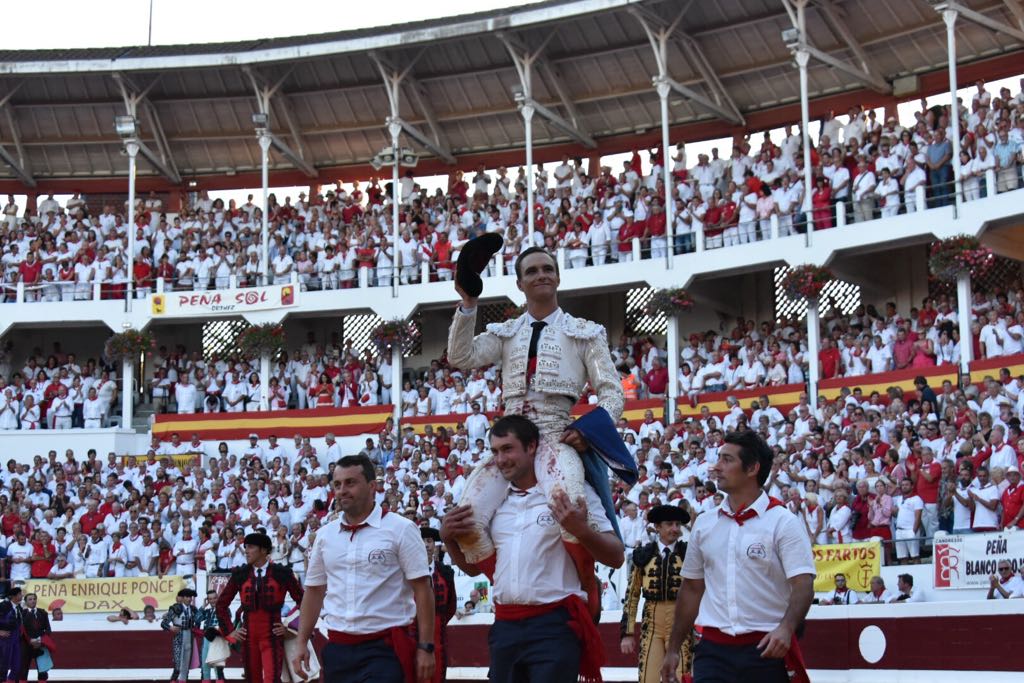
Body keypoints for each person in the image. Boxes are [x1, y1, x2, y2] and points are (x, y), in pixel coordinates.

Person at [447, 245, 629, 618]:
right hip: (510, 440)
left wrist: (588, 430)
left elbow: (611, 391)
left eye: (548, 268)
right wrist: (468, 305)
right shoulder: (506, 332)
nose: (541, 275)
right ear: (520, 283)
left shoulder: (585, 333)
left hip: (555, 434)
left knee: (570, 504)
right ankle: (504, 581)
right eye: (532, 271)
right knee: (467, 518)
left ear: (558, 277)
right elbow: (460, 357)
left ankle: (584, 577)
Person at [440, 415, 624, 683]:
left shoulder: (570, 493)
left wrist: (581, 529)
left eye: (508, 449)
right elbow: (471, 569)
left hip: (554, 626)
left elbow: (616, 556)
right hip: (504, 626)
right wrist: (449, 540)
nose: (500, 459)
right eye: (495, 451)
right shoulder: (494, 506)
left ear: (531, 447)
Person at [661, 430, 815, 683]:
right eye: (719, 458)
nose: (716, 467)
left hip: (766, 647)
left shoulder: (783, 522)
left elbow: (803, 585)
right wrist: (673, 650)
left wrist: (786, 629)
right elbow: (691, 589)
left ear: (753, 468)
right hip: (712, 650)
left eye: (727, 460)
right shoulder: (704, 523)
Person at [292, 455, 435, 683]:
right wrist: (300, 642)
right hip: (338, 648)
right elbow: (314, 591)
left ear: (371, 486)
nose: (342, 490)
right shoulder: (324, 536)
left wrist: (426, 646)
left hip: (384, 649)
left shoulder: (401, 529)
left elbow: (422, 589)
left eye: (351, 482)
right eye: (337, 485)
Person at [215, 531, 304, 683]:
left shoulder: (282, 573)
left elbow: (304, 602)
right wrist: (230, 632)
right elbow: (221, 605)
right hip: (248, 639)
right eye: (245, 547)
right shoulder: (240, 574)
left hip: (272, 638)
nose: (246, 551)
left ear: (263, 550)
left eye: (250, 547)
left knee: (271, 680)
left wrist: (290, 627)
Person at [620, 505, 693, 683]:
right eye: (669, 524)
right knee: (648, 678)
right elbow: (632, 594)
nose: (675, 529)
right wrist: (627, 633)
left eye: (678, 524)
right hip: (651, 623)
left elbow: (699, 591)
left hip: (681, 624)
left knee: (681, 677)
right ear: (658, 527)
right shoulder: (643, 555)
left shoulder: (689, 553)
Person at [422, 527, 457, 683]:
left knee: (438, 672)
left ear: (434, 545)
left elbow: (451, 605)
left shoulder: (445, 572)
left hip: (438, 630)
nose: (426, 545)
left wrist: (439, 621)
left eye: (429, 541)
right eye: (422, 541)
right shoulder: (406, 572)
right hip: (413, 629)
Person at [161, 588, 200, 683]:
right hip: (179, 637)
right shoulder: (175, 608)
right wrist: (171, 628)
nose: (189, 599)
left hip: (189, 636)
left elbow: (198, 622)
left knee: (186, 666)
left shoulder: (194, 609)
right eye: (187, 596)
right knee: (178, 666)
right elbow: (163, 623)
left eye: (190, 597)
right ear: (182, 598)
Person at [19, 592, 52, 682]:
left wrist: (41, 640)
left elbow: (48, 629)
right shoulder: (21, 613)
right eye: (30, 599)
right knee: (23, 670)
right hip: (26, 644)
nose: (33, 601)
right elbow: (21, 630)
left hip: (40, 643)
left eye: (34, 599)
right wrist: (31, 641)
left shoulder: (43, 612)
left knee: (43, 670)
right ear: (26, 602)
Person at [196, 589, 227, 683]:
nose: (213, 601)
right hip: (207, 639)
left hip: (218, 639)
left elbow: (227, 625)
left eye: (214, 598)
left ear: (218, 598)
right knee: (205, 667)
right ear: (208, 600)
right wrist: (203, 606)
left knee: (218, 668)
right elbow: (197, 619)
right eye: (210, 599)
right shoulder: (208, 611)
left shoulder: (224, 609)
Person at [0, 587, 23, 682]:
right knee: (3, 665)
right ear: (14, 596)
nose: (22, 596)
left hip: (16, 639)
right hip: (4, 639)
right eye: (20, 594)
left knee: (16, 666)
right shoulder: (3, 605)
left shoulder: (19, 608)